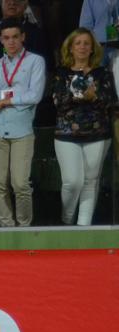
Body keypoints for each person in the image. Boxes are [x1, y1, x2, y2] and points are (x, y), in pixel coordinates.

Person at [0, 18, 44, 228]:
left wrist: (6, 101)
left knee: (20, 184)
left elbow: (34, 95)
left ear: (23, 37)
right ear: (1, 39)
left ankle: (24, 227)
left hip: (22, 131)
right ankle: (7, 228)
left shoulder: (35, 62)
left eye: (15, 37)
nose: (11, 42)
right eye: (6, 38)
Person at [52, 28, 114, 226]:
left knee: (90, 181)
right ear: (70, 48)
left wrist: (94, 97)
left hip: (98, 133)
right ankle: (67, 220)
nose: (82, 47)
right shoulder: (61, 73)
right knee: (72, 182)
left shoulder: (102, 73)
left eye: (86, 43)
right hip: (66, 134)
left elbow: (111, 101)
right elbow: (57, 101)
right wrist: (80, 96)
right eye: (77, 43)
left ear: (92, 48)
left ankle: (83, 228)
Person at [0, 0, 48, 66]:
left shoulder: (37, 34)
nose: (12, 2)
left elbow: (47, 68)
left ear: (26, 4)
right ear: (1, 2)